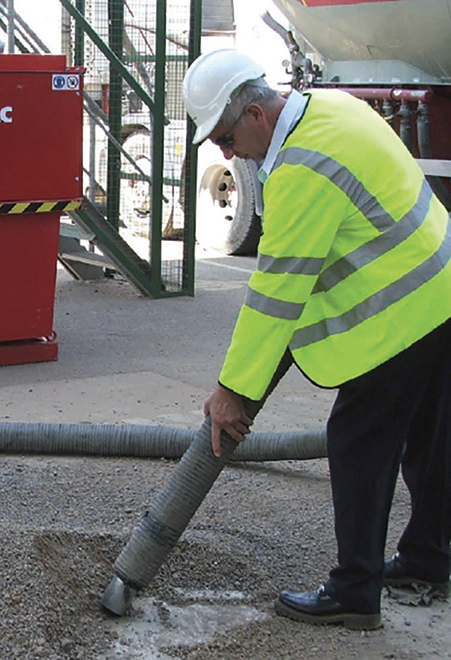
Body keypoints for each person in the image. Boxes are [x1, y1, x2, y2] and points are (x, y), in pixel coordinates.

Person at [183, 49, 451, 630]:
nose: (227, 154)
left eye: (226, 138)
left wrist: (233, 392)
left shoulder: (301, 168)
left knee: (357, 440)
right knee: (430, 436)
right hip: (441, 285)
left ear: (254, 114)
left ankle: (356, 591)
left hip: (405, 308)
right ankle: (430, 557)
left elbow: (275, 298)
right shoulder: (330, 108)